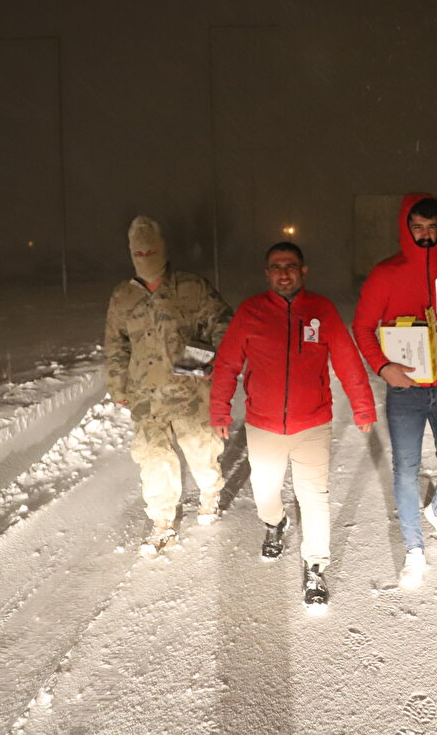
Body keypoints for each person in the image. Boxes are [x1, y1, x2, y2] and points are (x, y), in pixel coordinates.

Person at [210, 242, 376, 607]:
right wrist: (220, 409)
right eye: (275, 266)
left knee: (314, 497)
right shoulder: (251, 312)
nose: (283, 272)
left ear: (303, 271)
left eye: (290, 266)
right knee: (266, 494)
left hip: (313, 423)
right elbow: (226, 364)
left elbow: (347, 362)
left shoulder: (321, 311)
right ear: (267, 273)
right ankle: (276, 523)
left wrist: (363, 406)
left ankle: (315, 567)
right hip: (264, 425)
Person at [352, 193, 437, 589]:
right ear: (406, 229)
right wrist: (383, 367)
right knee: (406, 470)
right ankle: (414, 550)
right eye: (418, 228)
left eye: (432, 228)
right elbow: (362, 327)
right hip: (405, 393)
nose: (425, 235)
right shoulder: (386, 274)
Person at [104, 215, 233, 557]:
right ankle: (162, 521)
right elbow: (116, 344)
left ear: (163, 249)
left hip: (189, 393)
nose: (145, 256)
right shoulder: (123, 297)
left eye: (151, 250)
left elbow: (224, 325)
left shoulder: (191, 286)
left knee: (202, 452)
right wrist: (119, 387)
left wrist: (199, 362)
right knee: (153, 460)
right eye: (139, 252)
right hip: (145, 397)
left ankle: (209, 494)